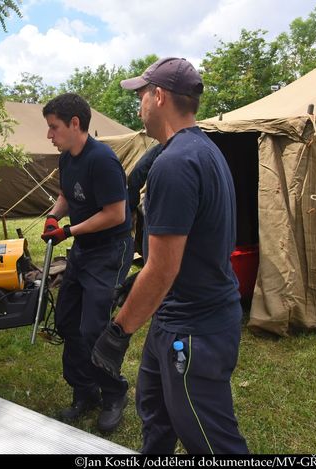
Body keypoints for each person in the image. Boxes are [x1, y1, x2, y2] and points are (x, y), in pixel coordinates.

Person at [91, 58, 249, 454]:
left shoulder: (175, 165)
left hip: (196, 328)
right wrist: (137, 285)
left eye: (141, 95)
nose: (138, 106)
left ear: (159, 96)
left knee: (208, 436)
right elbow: (187, 247)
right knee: (155, 412)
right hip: (174, 317)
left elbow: (163, 269)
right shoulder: (203, 149)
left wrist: (118, 332)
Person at [41, 93, 134, 433]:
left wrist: (67, 231)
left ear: (75, 124)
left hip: (111, 249)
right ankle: (85, 392)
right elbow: (67, 195)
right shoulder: (67, 158)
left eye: (54, 128)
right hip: (83, 248)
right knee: (67, 322)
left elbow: (115, 214)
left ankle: (114, 393)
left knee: (93, 328)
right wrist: (54, 217)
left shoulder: (102, 160)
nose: (49, 135)